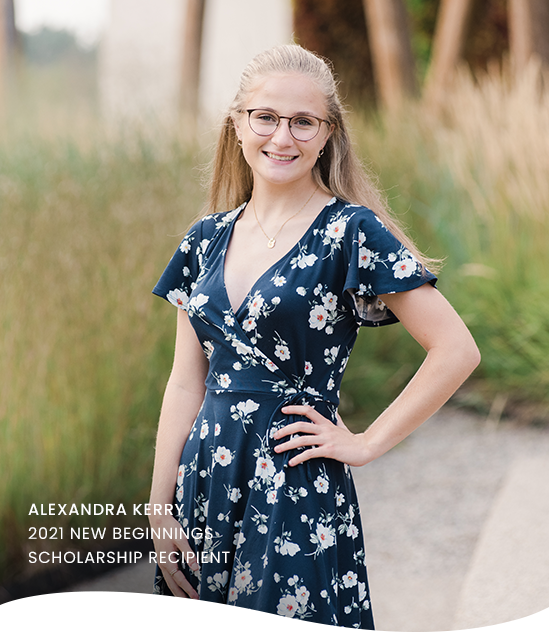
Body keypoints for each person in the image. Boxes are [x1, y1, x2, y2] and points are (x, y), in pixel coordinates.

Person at [148, 44, 480, 632]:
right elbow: (185, 380)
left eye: (304, 121)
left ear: (328, 134)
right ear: (238, 123)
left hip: (293, 480)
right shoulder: (203, 240)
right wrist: (159, 504)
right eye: (267, 117)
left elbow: (456, 349)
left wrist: (368, 442)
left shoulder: (351, 232)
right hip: (205, 481)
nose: (283, 137)